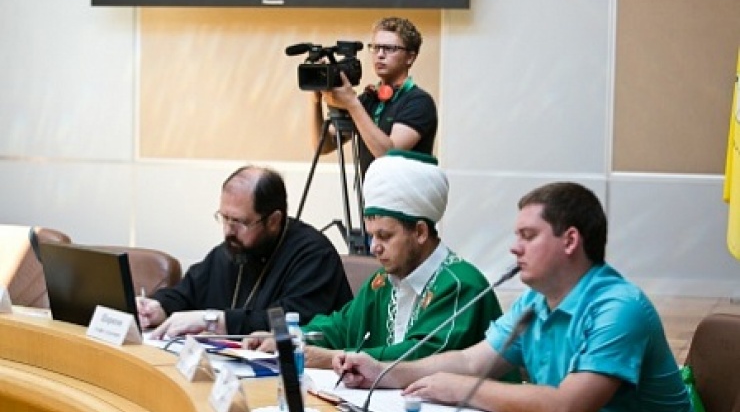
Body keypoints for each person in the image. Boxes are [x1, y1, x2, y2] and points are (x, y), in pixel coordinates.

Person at [335, 182, 692, 412]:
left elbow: (568, 405)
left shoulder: (619, 309)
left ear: (570, 241)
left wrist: (462, 389)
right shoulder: (536, 302)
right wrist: (382, 372)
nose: (514, 247)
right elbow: (471, 362)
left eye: (528, 236)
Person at [249, 150, 506, 371]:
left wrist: (333, 359)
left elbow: (420, 357)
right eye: (371, 235)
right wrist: (288, 338)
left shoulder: (460, 285)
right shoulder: (382, 281)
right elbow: (341, 327)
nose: (374, 247)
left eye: (384, 236)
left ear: (420, 232)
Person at [138, 165, 353, 339]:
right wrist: (159, 307)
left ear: (273, 220)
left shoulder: (314, 255)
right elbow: (188, 291)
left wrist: (215, 322)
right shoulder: (233, 249)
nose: (228, 231)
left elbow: (291, 322)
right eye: (224, 218)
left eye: (239, 221)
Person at [310, 17, 437, 180]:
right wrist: (315, 101)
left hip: (404, 195)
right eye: (376, 48)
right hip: (370, 194)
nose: (380, 55)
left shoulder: (418, 102)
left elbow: (388, 156)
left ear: (410, 57)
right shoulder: (369, 99)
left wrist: (352, 104)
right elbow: (323, 146)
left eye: (389, 48)